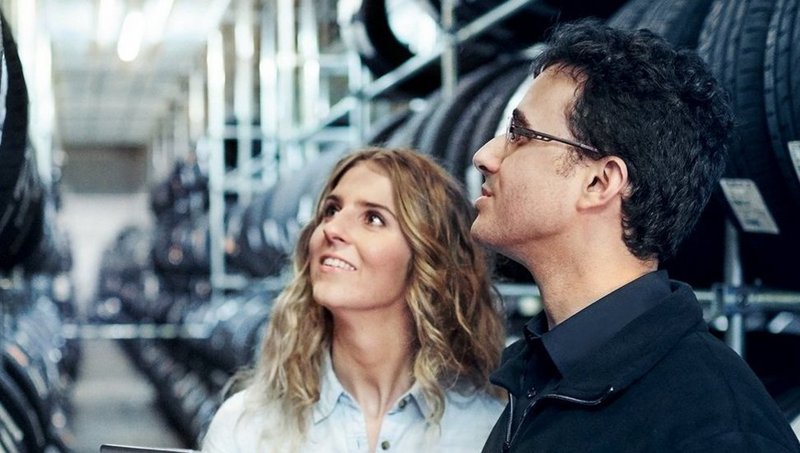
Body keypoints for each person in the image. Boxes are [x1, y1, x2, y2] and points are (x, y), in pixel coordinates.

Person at [471, 20, 800, 453]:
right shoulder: (541, 374)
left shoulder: (716, 429)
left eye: (519, 134)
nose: (484, 156)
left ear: (600, 182)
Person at [202, 148, 506, 452]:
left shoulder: (486, 433)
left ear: (429, 259)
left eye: (373, 218)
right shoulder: (246, 427)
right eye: (331, 210)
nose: (331, 229)